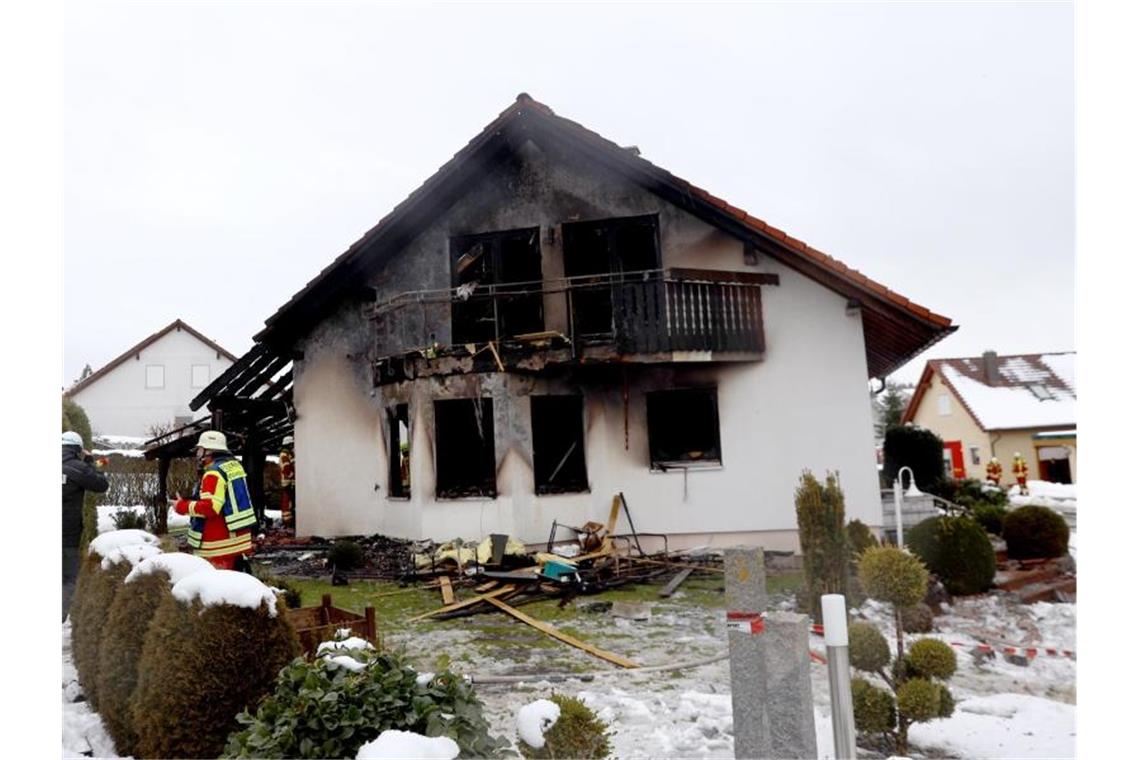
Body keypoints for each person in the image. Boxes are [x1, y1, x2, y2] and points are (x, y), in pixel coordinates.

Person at [171, 431, 258, 570]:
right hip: (236, 538)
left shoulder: (213, 473)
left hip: (218, 544)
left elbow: (210, 508)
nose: (198, 454)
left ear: (209, 451)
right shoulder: (234, 466)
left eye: (200, 450)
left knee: (216, 587)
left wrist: (181, 506)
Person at [62, 430, 108, 622]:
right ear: (77, 449)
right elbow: (101, 484)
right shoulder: (77, 467)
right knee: (69, 577)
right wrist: (90, 462)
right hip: (66, 533)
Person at [279, 435, 295, 529]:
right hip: (287, 482)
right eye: (291, 444)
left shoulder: (288, 454)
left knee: (289, 502)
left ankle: (288, 521)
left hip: (289, 482)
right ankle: (287, 522)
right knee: (287, 503)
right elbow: (287, 469)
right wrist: (293, 476)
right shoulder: (284, 455)